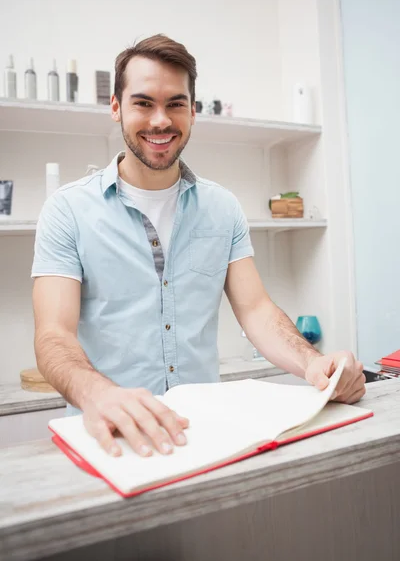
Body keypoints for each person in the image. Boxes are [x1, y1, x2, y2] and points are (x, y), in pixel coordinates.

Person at [32, 34, 366, 459]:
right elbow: (53, 335)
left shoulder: (222, 208)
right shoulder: (67, 210)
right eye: (142, 103)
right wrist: (98, 393)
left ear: (192, 110)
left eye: (175, 103)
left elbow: (256, 310)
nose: (160, 120)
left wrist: (311, 363)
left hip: (204, 437)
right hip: (109, 438)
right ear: (115, 107)